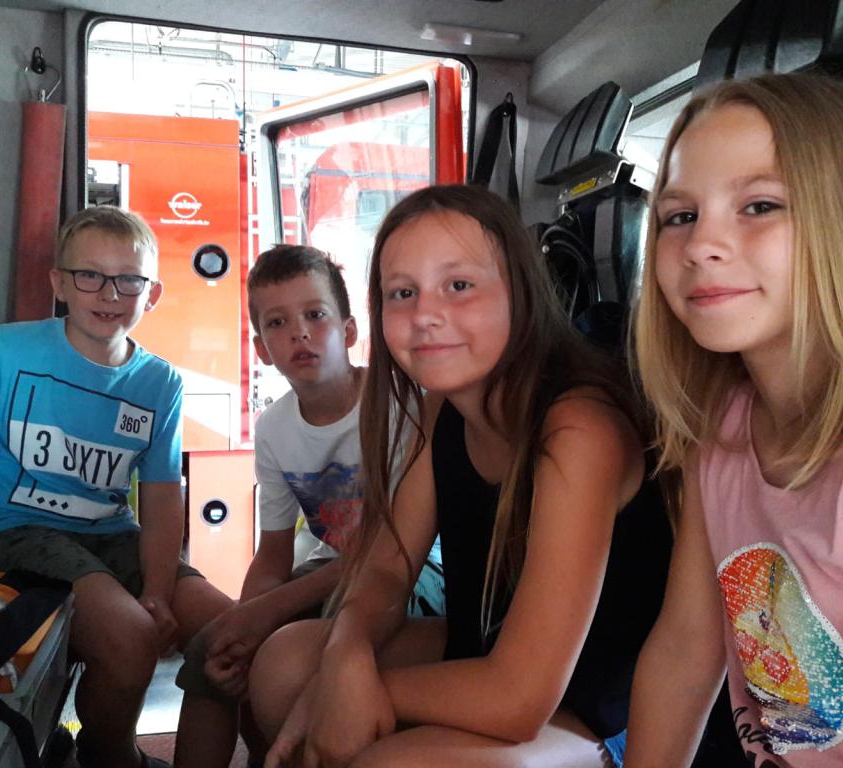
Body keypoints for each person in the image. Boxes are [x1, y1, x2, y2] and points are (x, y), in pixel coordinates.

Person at [248, 184, 673, 767]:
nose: (426, 315)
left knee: (389, 765)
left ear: (519, 292)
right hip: (486, 651)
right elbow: (387, 568)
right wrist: (345, 655)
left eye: (459, 286)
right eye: (403, 293)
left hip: (593, 710)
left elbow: (519, 698)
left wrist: (357, 691)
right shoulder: (440, 410)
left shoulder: (579, 431)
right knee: (283, 668)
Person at [625, 73, 843, 768]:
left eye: (759, 205)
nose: (701, 243)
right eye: (680, 216)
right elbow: (682, 657)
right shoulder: (724, 431)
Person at [0, 205, 232, 768]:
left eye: (129, 280)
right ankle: (111, 757)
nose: (109, 293)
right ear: (59, 283)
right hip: (6, 529)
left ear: (152, 294)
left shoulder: (159, 382)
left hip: (109, 535)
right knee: (131, 637)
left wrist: (159, 591)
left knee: (232, 636)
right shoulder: (3, 352)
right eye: (89, 275)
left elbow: (162, 498)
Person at [173, 244, 367, 767]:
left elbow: (394, 550)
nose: (299, 333)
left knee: (287, 654)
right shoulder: (274, 429)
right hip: (332, 570)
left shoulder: (392, 404)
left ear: (349, 331)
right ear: (261, 349)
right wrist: (243, 623)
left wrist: (270, 611)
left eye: (315, 315)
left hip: (416, 570)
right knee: (213, 649)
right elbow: (274, 553)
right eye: (278, 323)